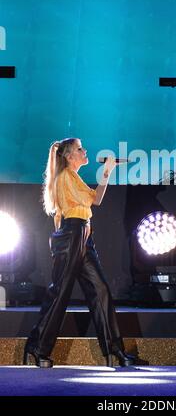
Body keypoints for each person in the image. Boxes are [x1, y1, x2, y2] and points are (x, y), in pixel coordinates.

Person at [23, 138, 135, 368]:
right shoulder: (65, 177)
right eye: (80, 149)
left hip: (83, 233)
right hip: (72, 234)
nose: (85, 152)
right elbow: (88, 202)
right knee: (61, 291)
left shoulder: (74, 176)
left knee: (100, 289)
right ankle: (36, 348)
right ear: (68, 156)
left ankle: (114, 351)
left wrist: (107, 171)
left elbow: (97, 199)